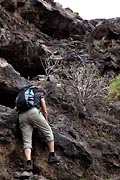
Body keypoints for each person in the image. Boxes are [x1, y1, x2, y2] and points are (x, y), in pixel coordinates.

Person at [14, 85, 60, 171]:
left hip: (22, 116)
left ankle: (28, 163)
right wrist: (45, 119)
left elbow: (15, 109)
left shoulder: (24, 96)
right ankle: (52, 155)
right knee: (48, 131)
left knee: (27, 140)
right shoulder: (39, 94)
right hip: (33, 113)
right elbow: (44, 109)